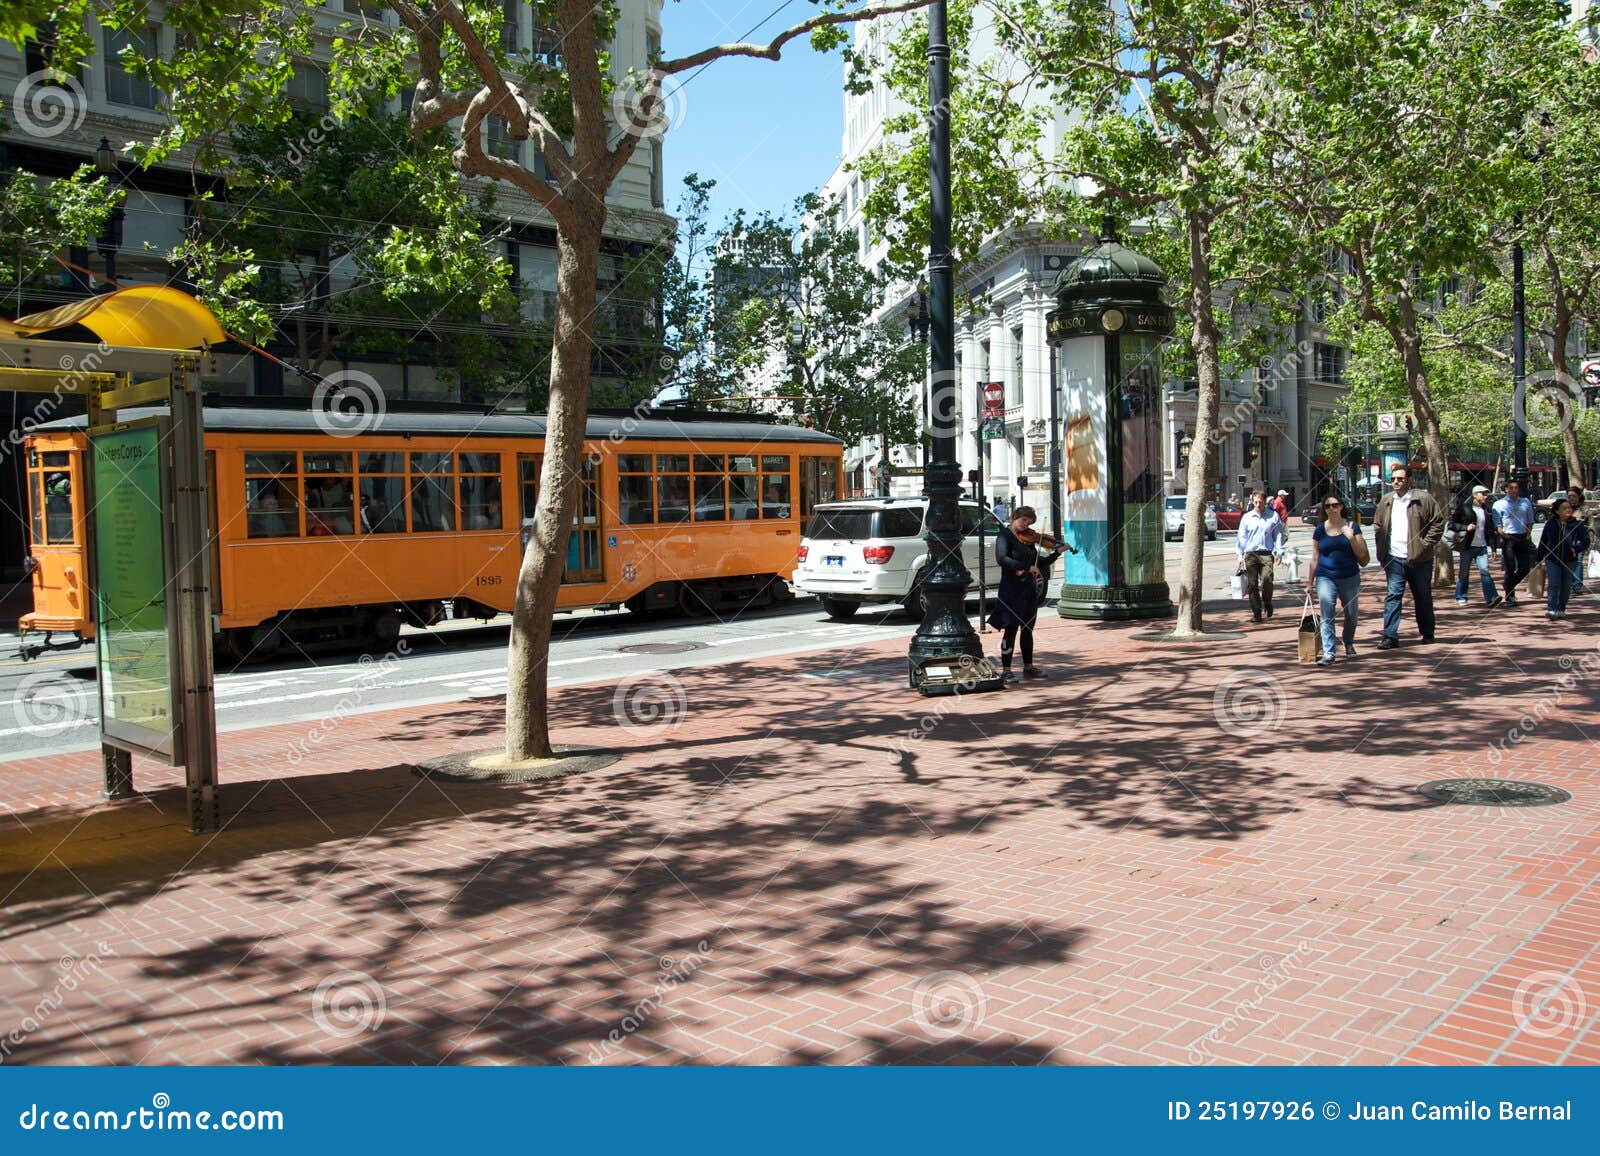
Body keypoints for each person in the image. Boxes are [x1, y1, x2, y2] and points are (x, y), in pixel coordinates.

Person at [988, 506, 1065, 684]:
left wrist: (1056, 553)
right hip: (1011, 589)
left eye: (1029, 523)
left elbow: (1040, 563)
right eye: (1024, 521)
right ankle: (1006, 670)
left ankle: (1028, 666)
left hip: (1028, 589)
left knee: (1028, 628)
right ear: (1015, 517)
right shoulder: (1004, 536)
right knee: (1011, 629)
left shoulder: (1028, 540)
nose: (1026, 525)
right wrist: (1022, 567)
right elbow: (1002, 559)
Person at [1373, 465, 1444, 648]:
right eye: (1393, 479)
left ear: (1409, 480)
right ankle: (1390, 636)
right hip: (1394, 558)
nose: (1396, 482)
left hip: (1420, 559)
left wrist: (1424, 544)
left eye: (1400, 479)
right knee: (1393, 596)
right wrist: (1382, 549)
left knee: (1422, 596)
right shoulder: (1386, 501)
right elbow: (1378, 525)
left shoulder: (1423, 499)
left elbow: (1438, 523)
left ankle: (1427, 632)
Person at [1306, 495, 1368, 666]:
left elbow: (1362, 553)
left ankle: (1348, 643)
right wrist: (1309, 582)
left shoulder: (1351, 526)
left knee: (1352, 615)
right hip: (1325, 576)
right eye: (1327, 506)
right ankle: (1329, 652)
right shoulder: (1319, 530)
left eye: (1335, 505)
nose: (1332, 509)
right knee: (1327, 615)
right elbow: (1315, 557)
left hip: (1349, 576)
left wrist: (1351, 537)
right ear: (1324, 509)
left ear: (1341, 506)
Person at [1234, 490, 1287, 623]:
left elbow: (1279, 535)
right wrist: (1240, 556)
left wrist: (1279, 552)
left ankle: (1267, 602)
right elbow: (1241, 537)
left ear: (1265, 502)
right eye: (1255, 502)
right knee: (1252, 585)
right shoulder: (1247, 517)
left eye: (1260, 502)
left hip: (1266, 554)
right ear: (1252, 502)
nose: (1258, 504)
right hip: (1251, 554)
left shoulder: (1273, 516)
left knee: (1267, 580)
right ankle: (1256, 612)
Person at [1450, 484, 1502, 607]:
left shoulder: (1487, 510)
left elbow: (1490, 531)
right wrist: (1465, 527)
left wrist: (1493, 548)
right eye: (1483, 493)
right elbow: (1452, 524)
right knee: (1464, 573)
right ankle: (1461, 596)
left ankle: (1492, 598)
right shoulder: (1464, 508)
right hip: (1467, 546)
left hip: (1482, 547)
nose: (1485, 496)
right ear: (1474, 495)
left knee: (1485, 571)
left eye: (1486, 494)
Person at [1537, 497, 1589, 620]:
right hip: (1552, 560)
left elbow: (1586, 541)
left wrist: (1576, 549)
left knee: (1566, 586)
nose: (1568, 510)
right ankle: (1551, 609)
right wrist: (1539, 557)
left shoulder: (1576, 524)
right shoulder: (1551, 523)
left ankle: (1561, 608)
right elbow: (1543, 541)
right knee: (1554, 584)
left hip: (1570, 560)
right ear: (1557, 511)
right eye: (1564, 508)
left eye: (1569, 508)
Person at [1491, 479, 1536, 606]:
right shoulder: (1499, 504)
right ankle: (1510, 596)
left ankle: (1507, 585)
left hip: (1523, 537)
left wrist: (1528, 534)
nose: (1514, 490)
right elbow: (1497, 524)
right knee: (1510, 569)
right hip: (1508, 538)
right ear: (1505, 489)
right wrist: (1504, 536)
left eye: (1516, 488)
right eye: (1511, 488)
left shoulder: (1525, 502)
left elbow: (1530, 520)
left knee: (1525, 568)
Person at [1565, 485, 1587, 595]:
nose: (1571, 498)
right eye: (1569, 496)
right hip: (1567, 539)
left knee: (1578, 561)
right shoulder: (1565, 508)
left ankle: (1577, 586)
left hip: (1580, 539)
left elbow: (1590, 524)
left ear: (1578, 496)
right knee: (1568, 561)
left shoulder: (1584, 508)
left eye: (1573, 496)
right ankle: (1569, 584)